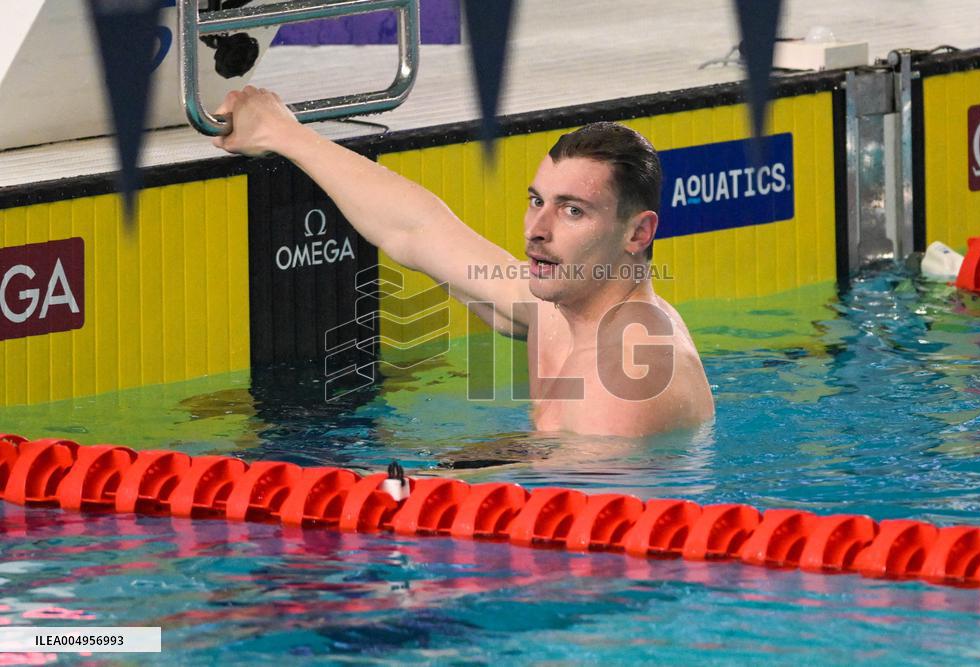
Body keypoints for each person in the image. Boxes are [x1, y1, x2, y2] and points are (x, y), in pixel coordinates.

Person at [212, 86, 715, 436]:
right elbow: (418, 228)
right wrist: (285, 135)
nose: (536, 231)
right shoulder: (563, 308)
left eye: (573, 210)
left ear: (639, 232)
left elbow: (577, 545)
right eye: (537, 201)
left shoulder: (627, 382)